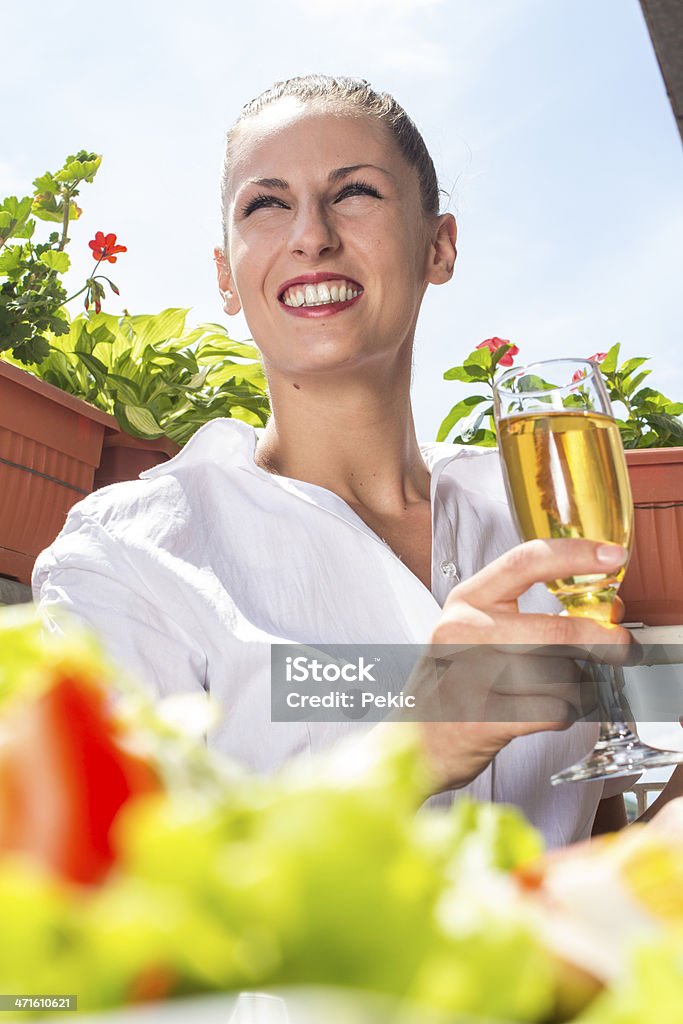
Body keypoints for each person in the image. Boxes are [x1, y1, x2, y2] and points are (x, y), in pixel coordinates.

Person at [32, 75, 670, 847]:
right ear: (226, 276)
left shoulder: (528, 521)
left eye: (355, 192)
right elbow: (123, 904)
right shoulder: (127, 555)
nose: (311, 235)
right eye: (265, 204)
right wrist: (414, 750)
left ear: (438, 246)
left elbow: (588, 837)